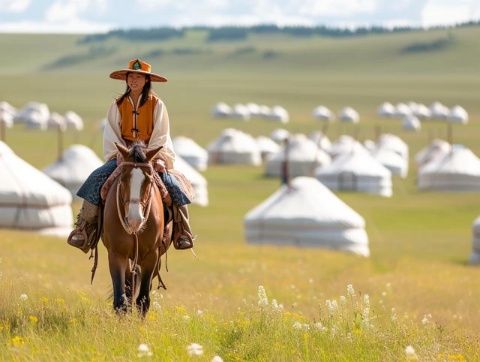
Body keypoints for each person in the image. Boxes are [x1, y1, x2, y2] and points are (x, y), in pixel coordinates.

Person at [67, 58, 194, 252]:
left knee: (174, 187)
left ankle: (182, 231)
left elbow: (161, 133)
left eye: (139, 77)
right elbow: (111, 133)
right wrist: (118, 154)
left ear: (146, 80)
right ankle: (84, 229)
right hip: (123, 156)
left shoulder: (157, 105)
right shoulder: (118, 105)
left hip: (150, 156)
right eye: (131, 76)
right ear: (126, 79)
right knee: (95, 179)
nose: (134, 80)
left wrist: (158, 157)